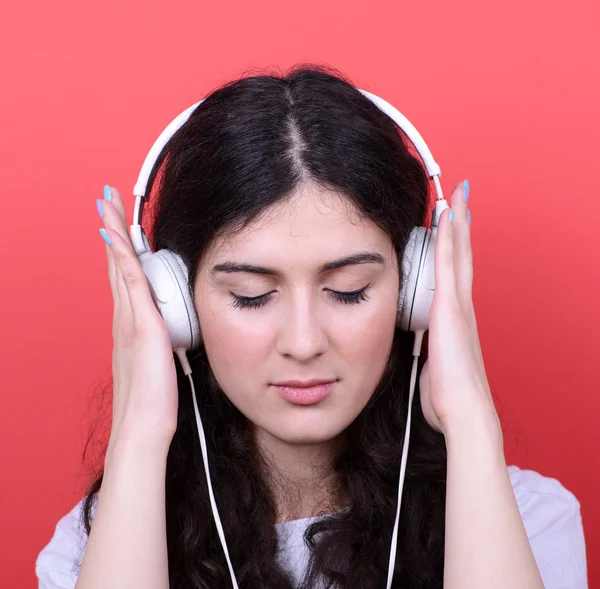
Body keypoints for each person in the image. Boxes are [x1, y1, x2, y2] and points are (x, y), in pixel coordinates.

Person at [36, 65, 587, 589]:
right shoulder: (98, 548)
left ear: (415, 291)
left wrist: (469, 420)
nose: (303, 343)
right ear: (175, 305)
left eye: (348, 291)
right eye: (251, 297)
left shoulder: (527, 520)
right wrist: (139, 432)